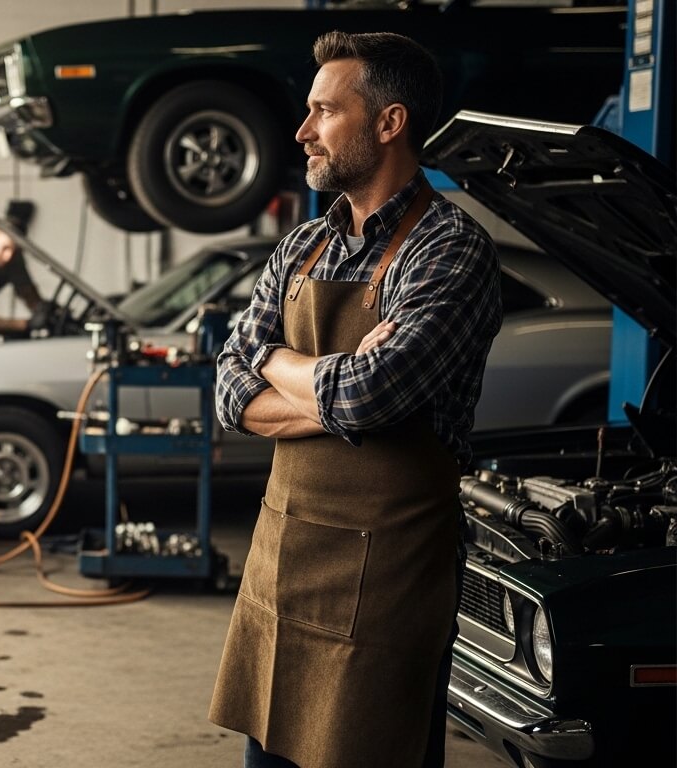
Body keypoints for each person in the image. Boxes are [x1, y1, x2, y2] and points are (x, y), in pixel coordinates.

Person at [209, 31, 501, 768]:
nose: (303, 131)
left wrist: (273, 361)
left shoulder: (449, 249)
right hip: (282, 565)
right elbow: (228, 390)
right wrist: (316, 378)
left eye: (323, 111)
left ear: (389, 122)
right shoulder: (302, 245)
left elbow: (372, 394)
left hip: (389, 583)